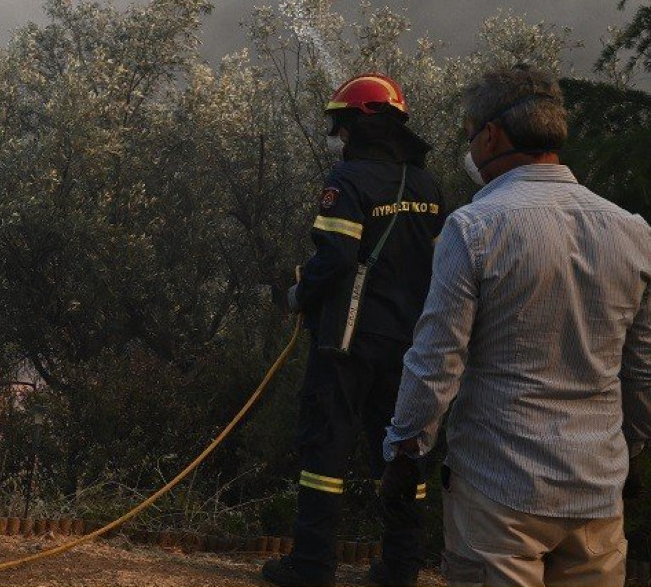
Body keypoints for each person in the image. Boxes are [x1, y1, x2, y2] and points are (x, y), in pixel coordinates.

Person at [385, 67, 651, 587]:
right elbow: (642, 371)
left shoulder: (473, 229)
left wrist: (406, 448)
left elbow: (437, 359)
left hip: (497, 488)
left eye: (469, 134)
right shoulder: (633, 231)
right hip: (597, 487)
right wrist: (632, 448)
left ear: (490, 135)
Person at [262, 73, 445, 587]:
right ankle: (402, 568)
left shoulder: (346, 182)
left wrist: (301, 294)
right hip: (411, 346)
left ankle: (312, 565)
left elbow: (337, 258)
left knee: (326, 448)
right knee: (401, 454)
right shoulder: (429, 187)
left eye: (340, 126)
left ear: (362, 125)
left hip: (346, 342)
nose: (338, 138)